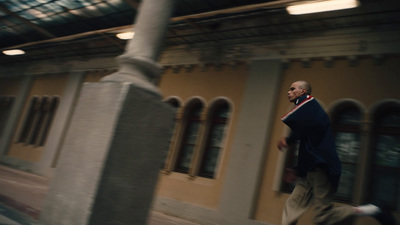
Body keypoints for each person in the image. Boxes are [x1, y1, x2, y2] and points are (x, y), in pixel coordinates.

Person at [278, 80, 397, 225]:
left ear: (303, 92)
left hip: (322, 168)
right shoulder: (309, 112)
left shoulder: (309, 105)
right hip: (309, 169)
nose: (288, 92)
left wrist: (288, 140)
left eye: (292, 89)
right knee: (292, 206)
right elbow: (308, 137)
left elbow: (306, 130)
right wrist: (297, 169)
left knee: (323, 217)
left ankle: (373, 209)